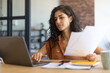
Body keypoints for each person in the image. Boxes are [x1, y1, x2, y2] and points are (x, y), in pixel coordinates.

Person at [31, 5, 104, 62]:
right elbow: (36, 55)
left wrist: (96, 57)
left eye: (61, 17)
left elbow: (107, 55)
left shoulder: (83, 39)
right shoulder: (52, 41)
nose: (57, 22)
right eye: (55, 19)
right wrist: (36, 56)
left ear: (70, 19)